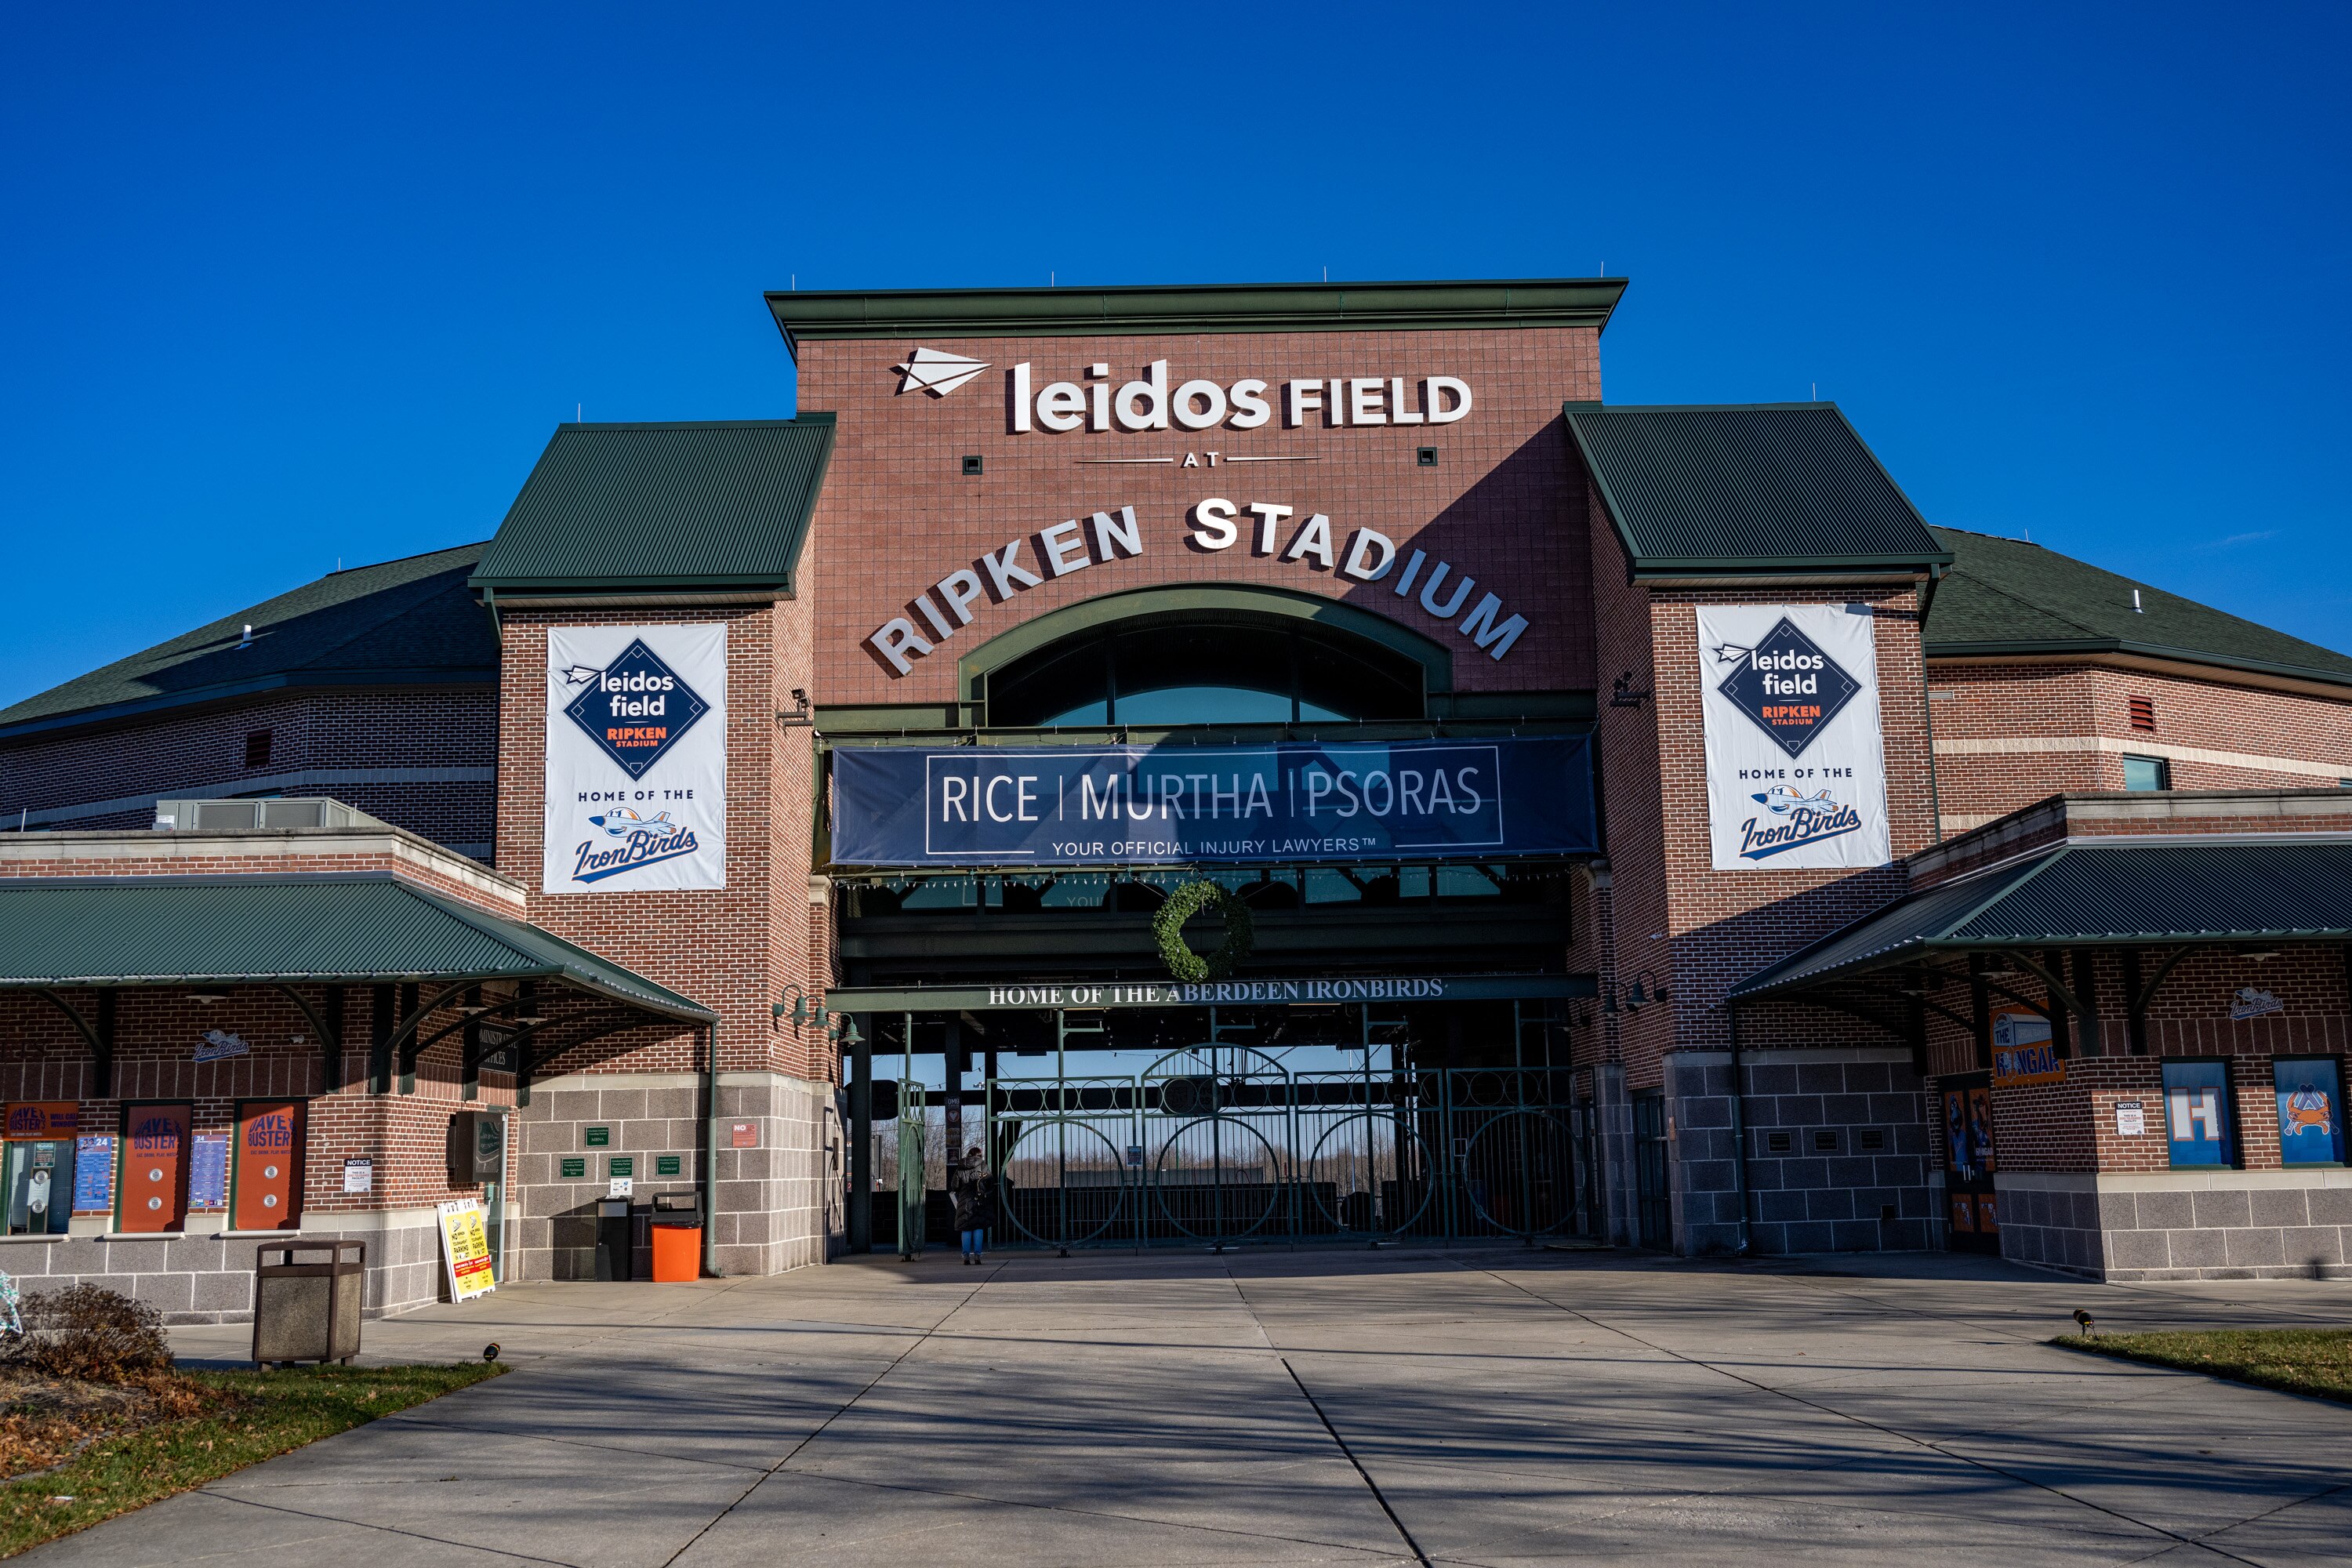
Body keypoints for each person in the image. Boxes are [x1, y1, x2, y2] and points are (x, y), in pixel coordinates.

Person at [953, 1151, 995, 1264]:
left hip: (964, 1202)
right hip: (978, 1202)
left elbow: (954, 1186)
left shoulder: (960, 1168)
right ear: (979, 1156)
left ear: (969, 1155)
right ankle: (977, 1255)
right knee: (978, 1228)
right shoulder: (983, 1166)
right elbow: (990, 1183)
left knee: (966, 1229)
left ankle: (966, 1256)